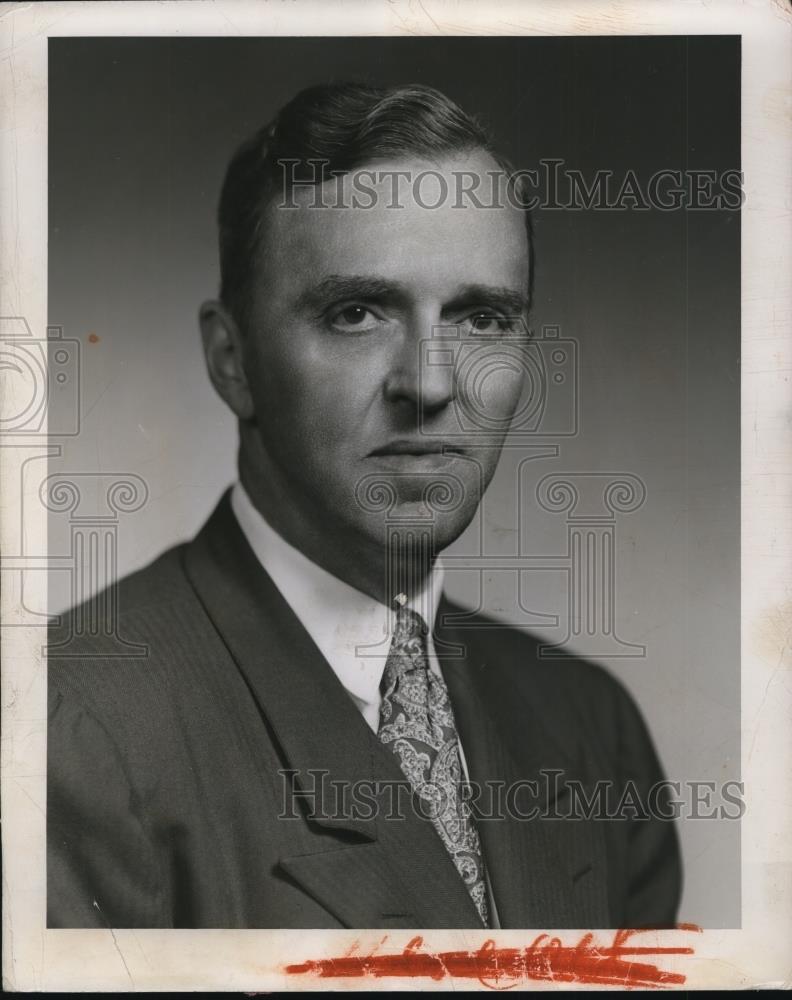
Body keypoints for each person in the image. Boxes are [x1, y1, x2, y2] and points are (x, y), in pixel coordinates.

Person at [47, 82, 682, 929]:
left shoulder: (593, 731)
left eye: (482, 317)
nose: (430, 382)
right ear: (231, 361)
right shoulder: (72, 734)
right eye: (356, 313)